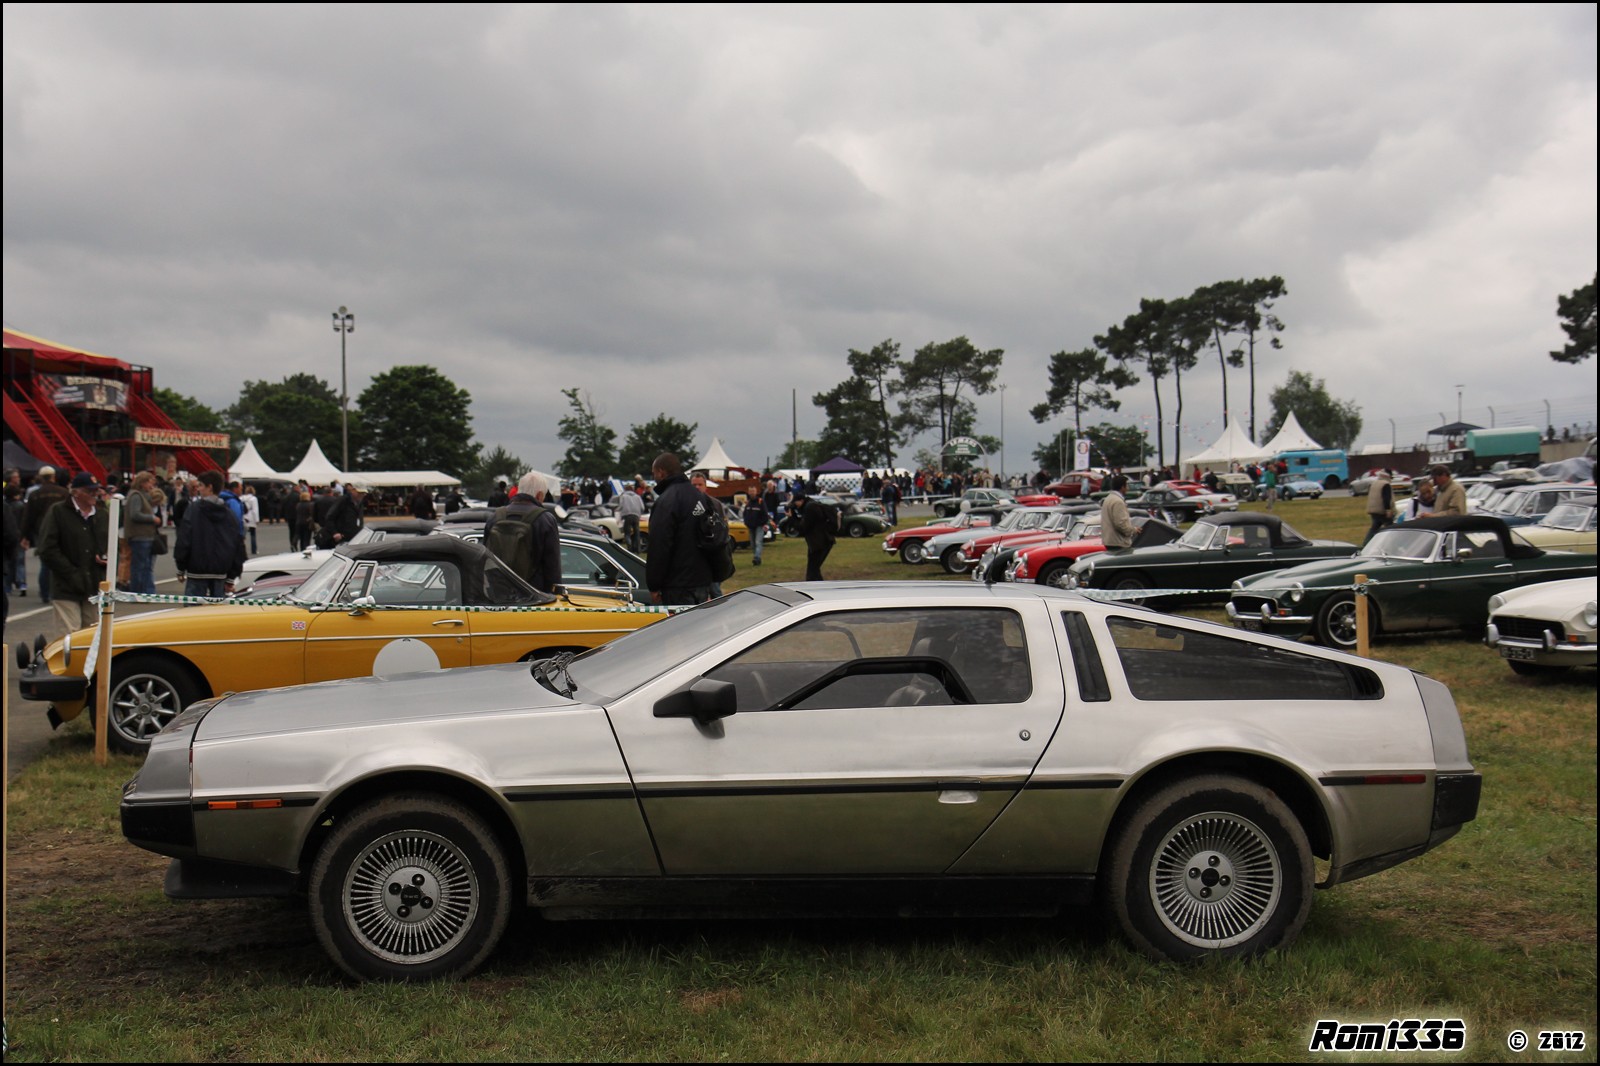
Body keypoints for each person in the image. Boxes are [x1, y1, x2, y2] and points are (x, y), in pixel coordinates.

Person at [37, 472, 112, 630]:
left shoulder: (102, 515)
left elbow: (112, 545)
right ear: (76, 492)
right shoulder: (58, 512)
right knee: (69, 638)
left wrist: (108, 558)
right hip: (66, 586)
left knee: (93, 636)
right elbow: (47, 548)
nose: (94, 494)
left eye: (96, 490)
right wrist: (71, 573)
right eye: (90, 491)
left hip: (94, 585)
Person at [645, 453, 716, 606]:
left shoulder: (666, 501)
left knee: (681, 628)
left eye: (654, 473)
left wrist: (654, 584)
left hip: (677, 584)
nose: (654, 477)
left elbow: (659, 545)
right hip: (702, 580)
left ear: (662, 472)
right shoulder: (701, 498)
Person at [484, 471, 561, 593]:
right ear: (539, 495)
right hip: (533, 596)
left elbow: (485, 557)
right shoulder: (545, 519)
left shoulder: (495, 517)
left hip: (499, 595)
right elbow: (552, 567)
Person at [175, 470, 246, 599]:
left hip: (197, 570)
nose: (198, 489)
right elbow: (237, 545)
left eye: (201, 485)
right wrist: (232, 575)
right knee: (215, 614)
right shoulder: (230, 515)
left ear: (210, 487)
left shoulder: (194, 510)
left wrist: (181, 567)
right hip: (220, 572)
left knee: (192, 612)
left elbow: (184, 539)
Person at [21, 465, 70, 603]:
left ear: (41, 478)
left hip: (41, 531)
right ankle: (57, 591)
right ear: (53, 477)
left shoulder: (35, 495)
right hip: (62, 530)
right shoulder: (63, 493)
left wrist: (25, 536)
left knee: (45, 563)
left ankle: (45, 593)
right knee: (60, 562)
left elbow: (28, 517)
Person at [124, 470, 162, 594]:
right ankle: (140, 591)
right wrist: (152, 518)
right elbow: (135, 514)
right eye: (150, 483)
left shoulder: (140, 495)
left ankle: (146, 591)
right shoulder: (136, 496)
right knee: (141, 566)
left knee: (145, 566)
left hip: (145, 536)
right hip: (140, 536)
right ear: (143, 483)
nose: (152, 486)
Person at [796, 493, 838, 580]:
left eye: (795, 502)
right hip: (821, 542)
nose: (795, 505)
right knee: (814, 569)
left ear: (801, 501)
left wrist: (792, 517)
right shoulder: (812, 505)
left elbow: (803, 528)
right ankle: (818, 586)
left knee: (812, 571)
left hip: (820, 543)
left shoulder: (810, 508)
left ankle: (815, 588)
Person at [1100, 474, 1137, 550]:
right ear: (1122, 487)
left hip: (1109, 541)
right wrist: (1133, 530)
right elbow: (1120, 524)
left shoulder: (1108, 499)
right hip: (1118, 542)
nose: (1128, 488)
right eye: (1127, 486)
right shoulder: (1118, 501)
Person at [742, 492, 774, 567]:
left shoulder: (760, 502)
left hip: (759, 526)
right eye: (750, 493)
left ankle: (756, 557)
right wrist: (746, 522)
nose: (751, 494)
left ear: (755, 493)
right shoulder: (748, 503)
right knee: (753, 544)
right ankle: (757, 558)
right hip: (750, 526)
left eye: (753, 493)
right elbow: (745, 514)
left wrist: (762, 522)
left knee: (758, 542)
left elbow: (765, 514)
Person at [1363, 469, 1394, 544]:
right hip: (1382, 511)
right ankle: (1392, 543)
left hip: (1373, 510)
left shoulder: (1374, 483)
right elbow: (1386, 498)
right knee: (1391, 529)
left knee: (1374, 528)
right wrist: (1388, 510)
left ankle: (1366, 543)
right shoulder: (1385, 484)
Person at [615, 482, 645, 553]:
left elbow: (621, 506)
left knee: (627, 533)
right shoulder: (638, 496)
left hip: (627, 516)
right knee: (637, 533)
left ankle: (630, 548)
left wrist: (617, 510)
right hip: (636, 516)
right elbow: (642, 507)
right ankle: (637, 549)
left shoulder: (624, 496)